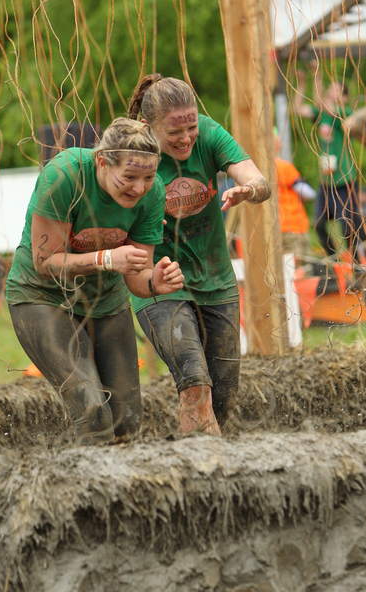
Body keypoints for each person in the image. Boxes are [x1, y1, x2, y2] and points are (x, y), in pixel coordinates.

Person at [5, 117, 184, 446]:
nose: (140, 188)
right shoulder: (64, 176)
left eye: (148, 177)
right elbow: (45, 263)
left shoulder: (152, 191)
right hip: (42, 297)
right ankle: (87, 494)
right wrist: (106, 258)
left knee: (127, 423)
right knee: (91, 409)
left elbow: (136, 276)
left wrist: (155, 283)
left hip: (106, 302)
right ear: (102, 161)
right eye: (129, 177)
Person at [127, 74, 271, 436]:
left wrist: (248, 190)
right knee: (195, 382)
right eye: (174, 132)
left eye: (191, 126)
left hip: (215, 279)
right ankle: (202, 469)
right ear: (148, 127)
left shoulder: (207, 133)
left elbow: (259, 181)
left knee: (222, 397)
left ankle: (196, 454)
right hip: (160, 282)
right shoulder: (131, 153)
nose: (186, 138)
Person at [294, 70, 364, 261]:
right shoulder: (321, 114)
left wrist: (317, 76)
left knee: (348, 225)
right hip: (326, 183)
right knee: (318, 225)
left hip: (345, 181)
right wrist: (302, 83)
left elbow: (329, 108)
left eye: (336, 90)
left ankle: (356, 263)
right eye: (330, 88)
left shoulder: (345, 113)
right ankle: (334, 260)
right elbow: (298, 109)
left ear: (344, 97)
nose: (330, 92)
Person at [274, 132, 316, 260]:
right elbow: (308, 193)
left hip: (274, 228)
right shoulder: (283, 166)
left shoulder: (256, 168)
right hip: (293, 225)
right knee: (301, 267)